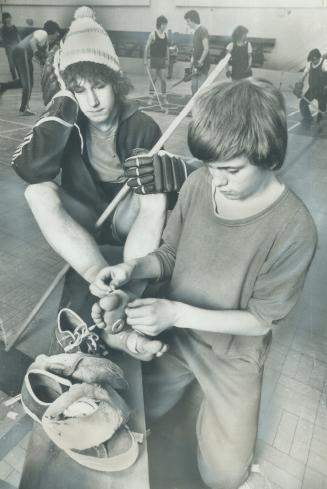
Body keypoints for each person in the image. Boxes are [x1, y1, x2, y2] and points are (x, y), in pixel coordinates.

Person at [90, 79, 317, 489]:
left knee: (224, 476)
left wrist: (174, 312)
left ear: (269, 156)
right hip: (174, 337)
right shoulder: (198, 185)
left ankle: (206, 408)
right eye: (211, 167)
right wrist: (132, 269)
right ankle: (183, 395)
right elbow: (170, 254)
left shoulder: (294, 228)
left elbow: (261, 321)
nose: (217, 181)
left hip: (233, 356)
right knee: (132, 416)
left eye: (230, 170)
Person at [11, 8, 192, 359]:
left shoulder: (141, 126)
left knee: (153, 190)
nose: (91, 100)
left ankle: (124, 286)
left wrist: (174, 173)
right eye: (79, 91)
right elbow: (30, 169)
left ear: (116, 82)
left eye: (100, 86)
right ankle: (97, 276)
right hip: (88, 217)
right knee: (37, 191)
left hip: (128, 218)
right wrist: (63, 104)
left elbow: (166, 198)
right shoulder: (69, 119)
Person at [0, 28, 48, 115]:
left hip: (23, 54)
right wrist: (38, 54)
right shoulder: (43, 33)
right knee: (28, 83)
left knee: (25, 82)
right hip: (22, 52)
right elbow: (32, 42)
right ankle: (24, 108)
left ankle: (3, 86)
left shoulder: (46, 44)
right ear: (53, 32)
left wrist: (42, 65)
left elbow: (41, 60)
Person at [144, 15, 169, 104]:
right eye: (163, 24)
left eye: (166, 24)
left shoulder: (166, 34)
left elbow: (166, 49)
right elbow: (146, 47)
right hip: (154, 59)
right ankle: (151, 98)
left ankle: (164, 97)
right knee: (153, 79)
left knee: (163, 80)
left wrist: (167, 59)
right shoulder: (153, 34)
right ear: (159, 24)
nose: (165, 26)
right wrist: (145, 59)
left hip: (162, 60)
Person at [184, 10, 210, 94]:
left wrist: (201, 61)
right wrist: (190, 64)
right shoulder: (195, 32)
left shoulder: (203, 30)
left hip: (203, 65)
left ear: (193, 19)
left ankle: (202, 106)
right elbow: (195, 50)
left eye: (188, 21)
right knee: (193, 88)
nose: (187, 23)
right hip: (196, 65)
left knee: (201, 90)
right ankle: (194, 106)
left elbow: (206, 48)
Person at [299, 48, 327, 124]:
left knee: (322, 110)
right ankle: (308, 118)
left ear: (319, 57)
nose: (313, 61)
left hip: (323, 91)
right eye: (312, 60)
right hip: (312, 89)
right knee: (303, 103)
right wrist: (299, 84)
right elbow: (303, 75)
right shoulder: (309, 64)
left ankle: (321, 122)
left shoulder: (325, 63)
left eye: (315, 59)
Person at [1, 12, 20, 80]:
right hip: (9, 48)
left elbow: (18, 36)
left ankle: (21, 77)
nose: (8, 19)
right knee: (12, 64)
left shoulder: (14, 27)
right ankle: (14, 77)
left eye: (9, 17)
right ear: (4, 19)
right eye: (6, 18)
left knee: (18, 63)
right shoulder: (3, 29)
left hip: (16, 47)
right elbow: (4, 39)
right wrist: (9, 45)